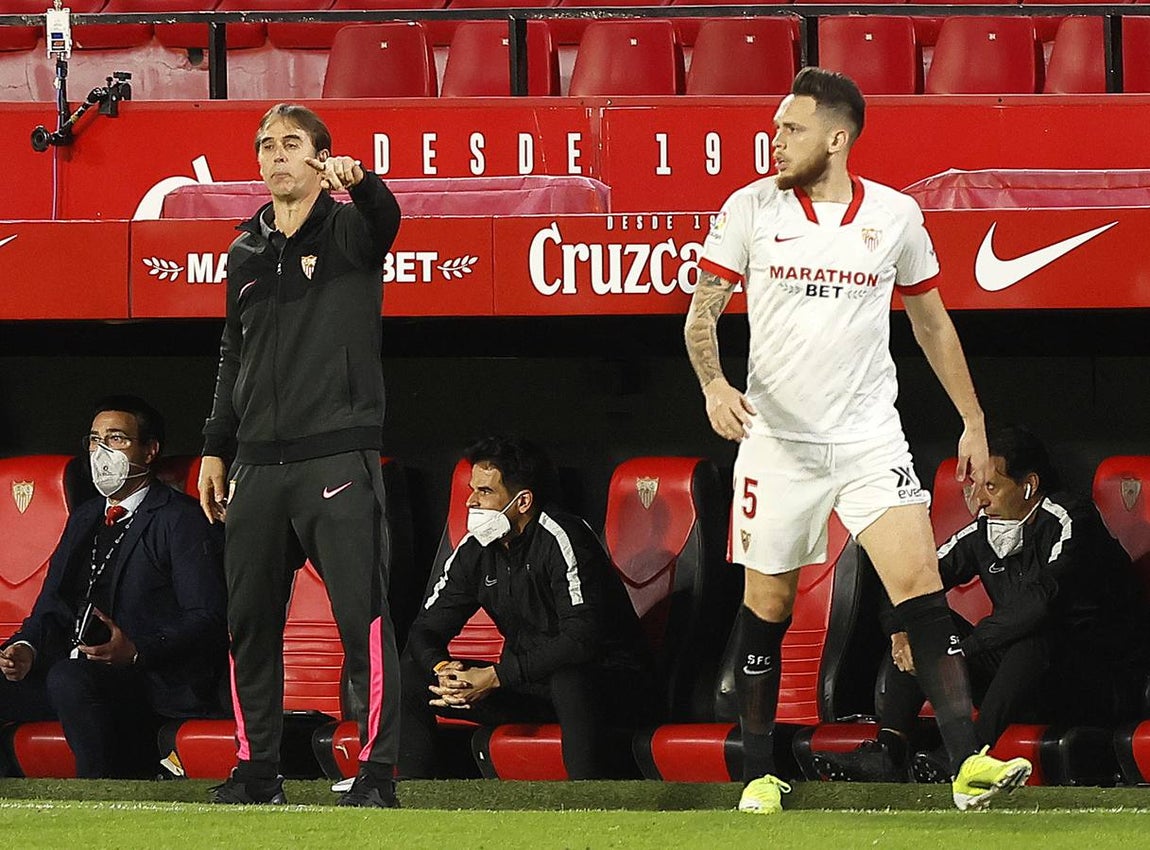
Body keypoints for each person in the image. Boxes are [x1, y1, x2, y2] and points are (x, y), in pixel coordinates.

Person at [683, 67, 1032, 814]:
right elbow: (701, 313)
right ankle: (758, 774)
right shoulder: (750, 208)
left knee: (922, 591)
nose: (776, 140)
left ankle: (968, 763)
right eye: (777, 127)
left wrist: (972, 420)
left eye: (792, 128)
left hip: (871, 438)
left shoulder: (896, 216)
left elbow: (931, 322)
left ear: (837, 138)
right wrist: (714, 384)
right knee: (768, 605)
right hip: (778, 444)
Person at [198, 103, 403, 807]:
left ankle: (376, 773)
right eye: (266, 145)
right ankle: (257, 770)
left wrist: (362, 181)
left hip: (335, 458)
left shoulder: (349, 229)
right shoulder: (245, 250)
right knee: (249, 624)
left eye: (291, 143)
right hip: (256, 464)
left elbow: (385, 219)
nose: (276, 155)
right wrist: (215, 448)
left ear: (320, 157)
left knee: (361, 621)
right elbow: (233, 352)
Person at [813, 425, 1150, 784]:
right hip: (1021, 684)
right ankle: (889, 752)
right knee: (923, 622)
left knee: (1037, 632)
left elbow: (1042, 602)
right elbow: (910, 579)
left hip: (1094, 684)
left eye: (991, 486)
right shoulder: (984, 530)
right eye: (975, 486)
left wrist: (963, 649)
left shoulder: (1072, 520)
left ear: (1028, 485)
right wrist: (900, 633)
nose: (979, 500)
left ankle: (968, 755)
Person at [398, 437, 653, 780]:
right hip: (530, 686)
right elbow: (425, 628)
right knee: (412, 670)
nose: (470, 501)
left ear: (522, 501)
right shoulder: (475, 549)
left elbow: (581, 639)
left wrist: (496, 676)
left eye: (485, 492)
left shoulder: (564, 536)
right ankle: (413, 792)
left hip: (609, 687)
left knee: (569, 677)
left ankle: (590, 797)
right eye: (472, 490)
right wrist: (443, 668)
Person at [0, 395, 227, 778]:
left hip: (150, 682)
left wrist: (136, 650)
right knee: (59, 677)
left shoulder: (180, 519)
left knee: (69, 679)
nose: (102, 451)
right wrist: (25, 648)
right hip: (77, 674)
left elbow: (208, 617)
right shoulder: (86, 516)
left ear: (150, 450)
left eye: (117, 439)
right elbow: (52, 605)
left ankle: (100, 789)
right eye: (94, 440)